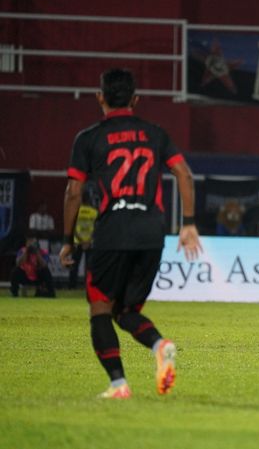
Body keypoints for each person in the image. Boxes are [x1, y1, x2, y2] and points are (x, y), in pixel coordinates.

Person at [59, 68, 203, 400]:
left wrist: (68, 240)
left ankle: (118, 384)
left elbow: (73, 191)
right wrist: (189, 222)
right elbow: (183, 173)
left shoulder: (89, 137)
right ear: (136, 100)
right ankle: (159, 344)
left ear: (100, 98)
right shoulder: (155, 134)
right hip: (152, 232)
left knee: (99, 306)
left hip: (113, 231)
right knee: (125, 312)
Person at [67, 188, 98, 289]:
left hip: (78, 242)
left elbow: (73, 227)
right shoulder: (94, 211)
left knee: (74, 265)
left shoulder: (77, 211)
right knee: (89, 267)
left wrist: (81, 240)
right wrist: (88, 241)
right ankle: (88, 286)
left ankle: (71, 286)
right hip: (89, 242)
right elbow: (96, 228)